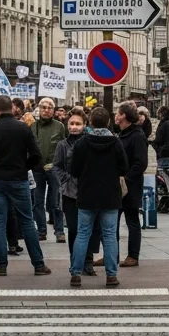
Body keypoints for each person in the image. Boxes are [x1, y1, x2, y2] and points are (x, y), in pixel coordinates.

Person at [0, 94, 51, 279]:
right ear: (12, 108)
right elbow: (36, 155)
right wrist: (24, 167)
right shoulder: (23, 128)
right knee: (27, 221)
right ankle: (38, 264)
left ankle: (1, 266)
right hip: (19, 178)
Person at [68, 106, 128, 288]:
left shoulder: (81, 143)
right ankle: (111, 275)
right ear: (108, 122)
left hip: (87, 194)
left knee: (83, 234)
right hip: (110, 196)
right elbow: (124, 168)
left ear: (90, 123)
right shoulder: (116, 143)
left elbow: (73, 170)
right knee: (109, 235)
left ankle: (76, 273)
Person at [52, 108, 98, 274]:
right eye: (71, 123)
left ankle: (88, 261)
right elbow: (56, 166)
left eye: (78, 124)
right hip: (69, 193)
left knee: (89, 229)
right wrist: (65, 179)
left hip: (88, 191)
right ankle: (75, 260)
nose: (74, 127)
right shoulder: (62, 145)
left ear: (85, 125)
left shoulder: (91, 143)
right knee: (73, 229)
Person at [114, 102, 147, 268]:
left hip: (131, 186)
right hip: (118, 185)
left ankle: (133, 255)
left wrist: (126, 179)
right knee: (112, 221)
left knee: (132, 219)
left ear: (124, 116)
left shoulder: (137, 135)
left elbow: (141, 163)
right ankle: (112, 254)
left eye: (118, 113)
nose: (115, 116)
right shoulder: (121, 134)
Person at [30, 97, 65, 243]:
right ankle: (41, 231)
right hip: (37, 169)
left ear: (53, 110)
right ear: (39, 109)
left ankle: (59, 231)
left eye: (49, 108)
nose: (46, 110)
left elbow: (64, 145)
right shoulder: (33, 126)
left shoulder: (59, 126)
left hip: (54, 168)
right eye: (44, 107)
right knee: (37, 201)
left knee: (56, 201)